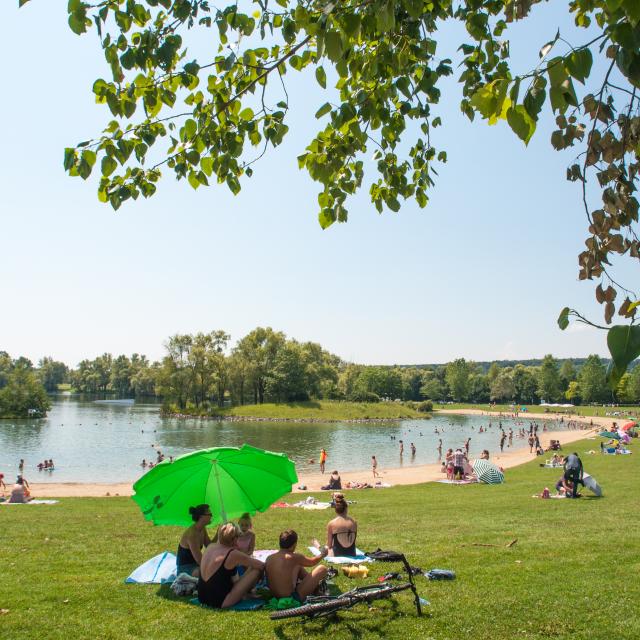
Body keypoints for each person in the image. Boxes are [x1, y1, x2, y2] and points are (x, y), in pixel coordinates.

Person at [197, 522, 264, 609]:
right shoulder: (232, 554)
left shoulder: (210, 547)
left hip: (202, 597)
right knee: (256, 570)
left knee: (248, 568)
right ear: (235, 539)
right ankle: (247, 594)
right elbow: (261, 565)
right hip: (220, 601)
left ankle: (246, 594)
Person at [265, 530, 328, 603]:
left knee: (298, 566)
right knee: (322, 569)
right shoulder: (294, 557)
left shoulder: (269, 558)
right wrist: (323, 554)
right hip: (292, 598)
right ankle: (315, 588)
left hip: (275, 596)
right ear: (294, 545)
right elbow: (312, 562)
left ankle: (315, 588)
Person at [177, 504, 213, 576]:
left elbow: (210, 546)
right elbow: (200, 560)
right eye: (210, 514)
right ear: (202, 517)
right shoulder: (192, 535)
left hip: (196, 565)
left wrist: (219, 533)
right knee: (206, 572)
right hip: (185, 568)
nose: (211, 516)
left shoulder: (202, 528)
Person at [326, 492, 358, 557]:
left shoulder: (332, 523)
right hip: (352, 553)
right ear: (346, 508)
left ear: (335, 510)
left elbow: (329, 546)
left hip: (337, 554)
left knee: (322, 548)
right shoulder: (354, 522)